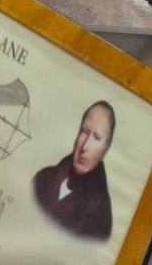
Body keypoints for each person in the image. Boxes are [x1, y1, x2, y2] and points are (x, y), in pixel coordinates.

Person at [31, 100, 115, 241]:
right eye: (85, 131)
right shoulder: (42, 178)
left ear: (104, 151)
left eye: (96, 137)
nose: (85, 146)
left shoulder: (100, 217)